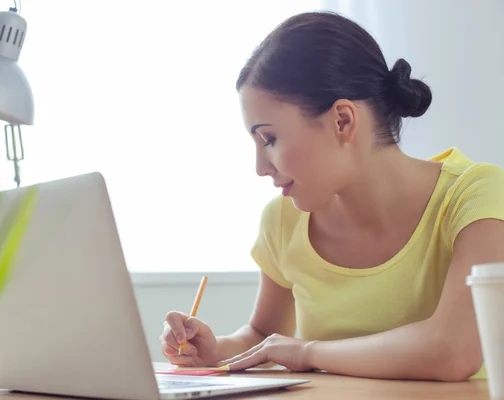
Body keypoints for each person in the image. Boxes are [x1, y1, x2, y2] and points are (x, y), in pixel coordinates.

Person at [160, 11, 504, 382]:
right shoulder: (282, 219)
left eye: (270, 139)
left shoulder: (477, 196)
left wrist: (308, 352)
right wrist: (214, 350)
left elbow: (453, 351)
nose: (261, 167)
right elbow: (262, 336)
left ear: (343, 120)